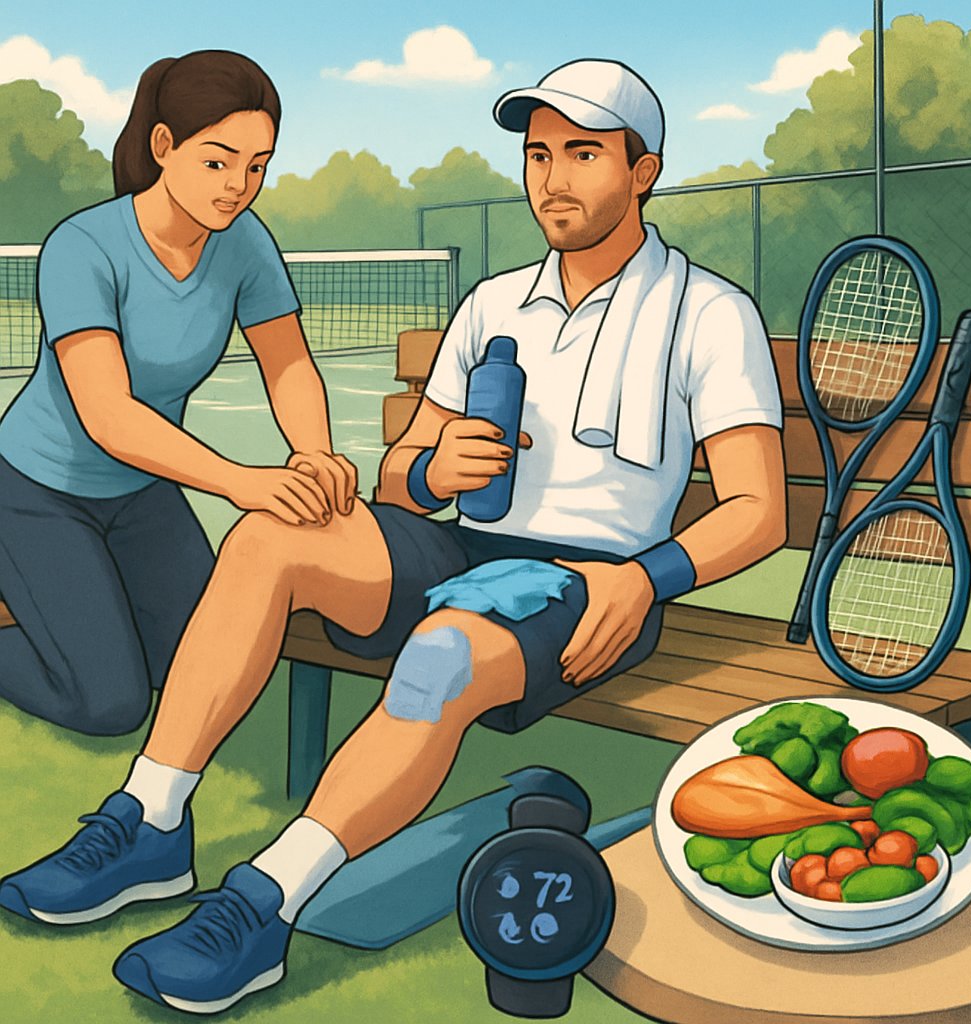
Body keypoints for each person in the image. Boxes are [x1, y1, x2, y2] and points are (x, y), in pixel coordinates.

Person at [0, 59, 786, 1013]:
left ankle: (263, 906)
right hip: (458, 553)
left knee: (441, 654)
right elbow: (399, 476)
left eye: (583, 153)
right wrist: (429, 468)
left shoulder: (708, 312)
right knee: (267, 537)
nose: (553, 178)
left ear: (643, 170)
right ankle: (151, 824)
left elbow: (758, 511)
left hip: (590, 586)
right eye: (539, 154)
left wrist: (646, 581)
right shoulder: (494, 303)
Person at [0, 50, 356, 735]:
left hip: (142, 493)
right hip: (39, 489)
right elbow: (108, 416)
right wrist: (235, 481)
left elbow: (287, 364)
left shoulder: (245, 243)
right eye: (218, 162)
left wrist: (315, 451)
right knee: (113, 705)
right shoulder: (83, 247)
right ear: (164, 146)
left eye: (258, 166)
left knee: (200, 666)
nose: (239, 186)